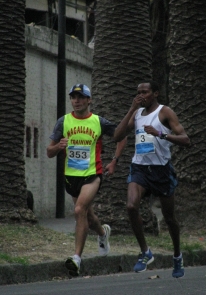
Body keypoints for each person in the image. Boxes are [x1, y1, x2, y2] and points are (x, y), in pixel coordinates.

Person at [47, 83, 126, 277]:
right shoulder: (63, 122)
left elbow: (121, 136)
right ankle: (102, 233)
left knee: (79, 210)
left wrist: (114, 161)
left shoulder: (98, 122)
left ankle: (76, 258)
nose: (77, 101)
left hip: (92, 175)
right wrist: (58, 147)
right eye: (74, 97)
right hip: (71, 177)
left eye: (81, 97)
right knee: (88, 217)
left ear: (89, 100)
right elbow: (49, 152)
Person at [114, 81, 190, 278]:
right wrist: (131, 109)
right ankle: (145, 252)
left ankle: (177, 255)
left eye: (145, 92)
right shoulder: (137, 114)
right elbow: (117, 135)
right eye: (138, 92)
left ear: (155, 93)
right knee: (131, 206)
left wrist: (161, 134)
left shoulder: (165, 112)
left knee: (170, 217)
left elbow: (185, 139)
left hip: (161, 170)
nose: (141, 96)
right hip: (140, 168)